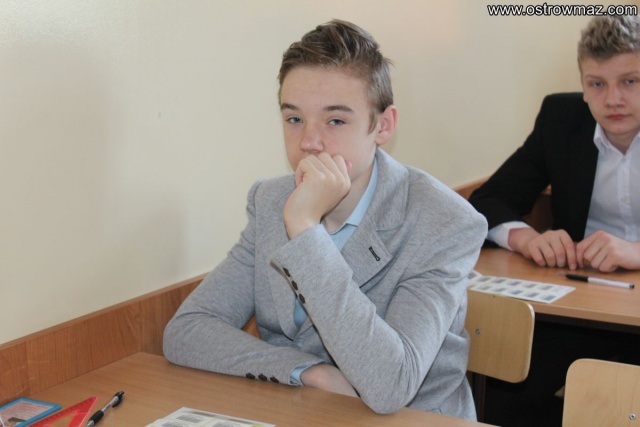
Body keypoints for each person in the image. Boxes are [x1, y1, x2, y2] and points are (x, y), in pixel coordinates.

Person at [163, 19, 487, 419]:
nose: (308, 142)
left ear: (382, 125)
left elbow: (391, 385)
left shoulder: (444, 222)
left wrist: (304, 230)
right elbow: (188, 329)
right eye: (294, 119)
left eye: (335, 120)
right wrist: (308, 372)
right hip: (303, 412)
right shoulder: (271, 201)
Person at [469, 15, 640, 426]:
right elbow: (487, 200)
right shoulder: (561, 118)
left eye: (630, 81)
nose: (613, 99)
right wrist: (526, 238)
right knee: (502, 397)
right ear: (582, 85)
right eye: (596, 84)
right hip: (582, 306)